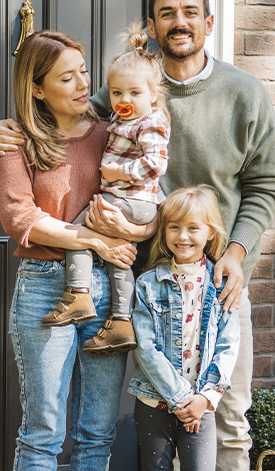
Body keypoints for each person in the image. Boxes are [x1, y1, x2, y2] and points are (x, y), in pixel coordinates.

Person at [0, 0, 275, 469]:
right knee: (153, 420)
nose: (179, 22)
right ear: (151, 26)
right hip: (145, 283)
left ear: (209, 22)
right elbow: (59, 123)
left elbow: (267, 184)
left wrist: (236, 252)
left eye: (190, 12)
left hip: (218, 277)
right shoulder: (117, 97)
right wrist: (5, 130)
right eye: (167, 13)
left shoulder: (245, 94)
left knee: (227, 417)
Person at [0, 29, 138, 471]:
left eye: (84, 73)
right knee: (43, 434)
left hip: (110, 291)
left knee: (97, 431)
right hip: (44, 289)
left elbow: (147, 195)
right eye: (66, 78)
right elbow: (20, 218)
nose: (82, 86)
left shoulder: (112, 135)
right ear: (36, 88)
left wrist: (133, 228)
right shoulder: (16, 141)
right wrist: (94, 239)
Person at [44, 24, 171, 358]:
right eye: (116, 93)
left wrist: (119, 171)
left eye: (133, 93)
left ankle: (79, 293)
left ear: (153, 94)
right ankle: (120, 320)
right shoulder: (122, 118)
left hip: (132, 201)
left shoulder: (151, 121)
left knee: (78, 228)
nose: (124, 100)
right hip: (131, 202)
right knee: (118, 258)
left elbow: (156, 164)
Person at [128, 186, 241, 471]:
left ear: (210, 232)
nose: (182, 236)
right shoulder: (147, 284)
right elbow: (145, 348)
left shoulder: (221, 286)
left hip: (200, 407)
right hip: (154, 404)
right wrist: (181, 399)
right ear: (164, 230)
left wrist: (204, 399)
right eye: (174, 227)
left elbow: (227, 347)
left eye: (193, 228)